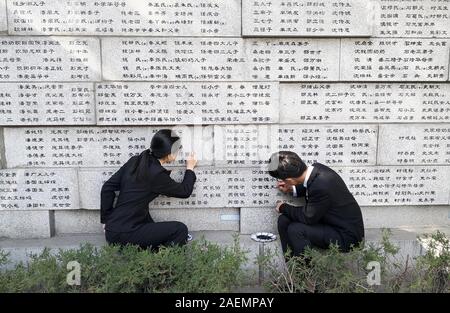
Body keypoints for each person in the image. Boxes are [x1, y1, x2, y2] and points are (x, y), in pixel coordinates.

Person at [100, 129, 197, 250]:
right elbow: (185, 191)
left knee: (151, 224)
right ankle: (158, 264)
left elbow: (107, 188)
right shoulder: (157, 174)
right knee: (180, 230)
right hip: (126, 233)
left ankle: (148, 257)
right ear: (170, 153)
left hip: (113, 229)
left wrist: (106, 221)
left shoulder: (135, 160)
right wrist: (190, 167)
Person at [268, 151, 364, 258]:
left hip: (346, 236)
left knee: (296, 230)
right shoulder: (316, 169)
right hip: (330, 223)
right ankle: (291, 263)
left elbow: (307, 216)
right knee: (284, 220)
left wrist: (283, 207)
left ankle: (304, 272)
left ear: (289, 180)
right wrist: (292, 188)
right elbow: (310, 186)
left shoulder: (321, 185)